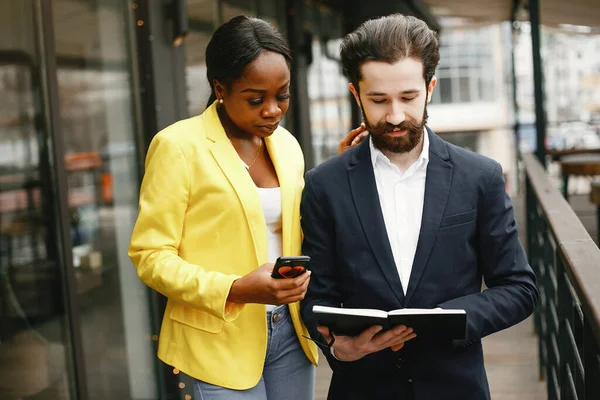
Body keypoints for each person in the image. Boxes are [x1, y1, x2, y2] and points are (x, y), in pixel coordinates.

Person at [299, 14, 539, 400]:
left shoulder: (481, 176)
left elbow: (519, 288)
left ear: (430, 87)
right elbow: (317, 298)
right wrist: (337, 347)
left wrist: (450, 320)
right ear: (355, 95)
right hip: (362, 388)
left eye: (408, 98)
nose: (394, 115)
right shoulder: (323, 184)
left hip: (455, 387)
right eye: (378, 100)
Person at [129, 15, 360, 400]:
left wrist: (336, 178)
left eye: (282, 95)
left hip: (290, 332)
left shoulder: (286, 145)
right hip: (216, 341)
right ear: (220, 88)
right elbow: (150, 256)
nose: (272, 110)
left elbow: (299, 227)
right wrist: (234, 289)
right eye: (256, 99)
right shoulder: (178, 147)